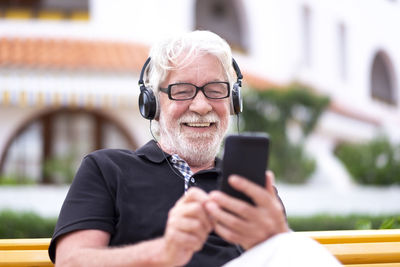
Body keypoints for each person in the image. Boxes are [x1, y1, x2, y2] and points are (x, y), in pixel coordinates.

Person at [49, 30, 341, 267]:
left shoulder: (249, 184)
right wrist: (164, 253)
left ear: (232, 102)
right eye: (182, 90)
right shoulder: (106, 169)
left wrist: (276, 239)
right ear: (152, 104)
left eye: (215, 90)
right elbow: (71, 262)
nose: (201, 106)